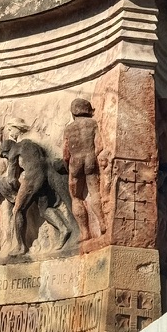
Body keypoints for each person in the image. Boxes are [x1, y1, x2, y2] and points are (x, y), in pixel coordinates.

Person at [62, 98, 107, 241]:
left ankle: (85, 232)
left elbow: (65, 152)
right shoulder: (93, 124)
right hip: (90, 159)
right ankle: (102, 222)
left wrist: (67, 165)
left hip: (75, 162)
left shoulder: (69, 128)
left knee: (76, 197)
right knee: (94, 192)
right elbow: (99, 145)